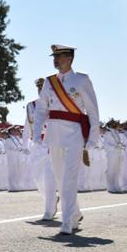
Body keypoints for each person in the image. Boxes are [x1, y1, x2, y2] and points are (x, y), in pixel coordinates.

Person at [32, 44, 100, 235]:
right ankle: (75, 214)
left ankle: (67, 222)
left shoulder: (82, 80)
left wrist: (92, 138)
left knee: (69, 178)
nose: (55, 60)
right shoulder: (49, 82)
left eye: (59, 56)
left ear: (69, 58)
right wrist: (37, 132)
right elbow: (41, 110)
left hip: (74, 135)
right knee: (61, 179)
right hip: (54, 134)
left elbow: (92, 111)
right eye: (54, 56)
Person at [22, 78, 58, 220]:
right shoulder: (31, 105)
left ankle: (49, 210)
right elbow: (27, 125)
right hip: (36, 144)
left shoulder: (55, 104)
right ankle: (52, 199)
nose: (40, 90)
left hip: (51, 142)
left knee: (50, 177)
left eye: (43, 88)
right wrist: (25, 144)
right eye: (39, 88)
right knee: (37, 177)